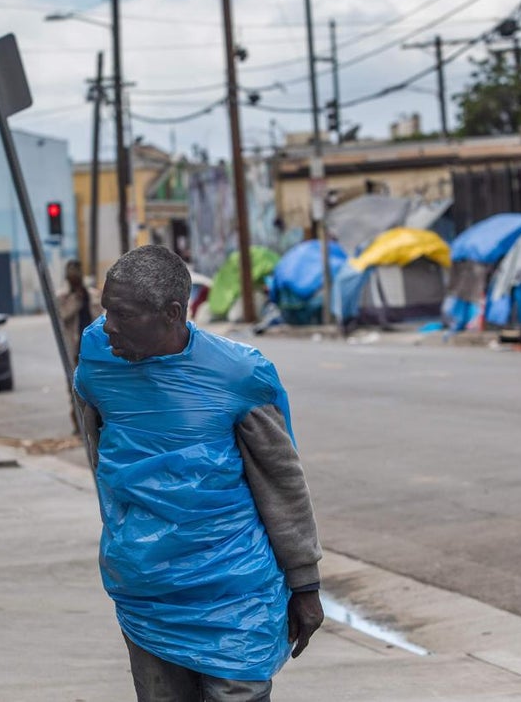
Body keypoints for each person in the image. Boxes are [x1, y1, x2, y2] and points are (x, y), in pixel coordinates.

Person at [74, 245, 323, 702]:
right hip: (147, 591)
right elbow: (101, 455)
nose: (107, 325)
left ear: (172, 314)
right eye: (106, 309)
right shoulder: (97, 357)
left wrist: (304, 583)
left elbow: (282, 483)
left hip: (235, 591)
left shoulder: (238, 376)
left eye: (123, 314)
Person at [57, 259, 102, 431]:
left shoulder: (90, 294)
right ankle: (79, 425)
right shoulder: (63, 296)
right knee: (75, 389)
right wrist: (75, 299)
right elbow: (62, 315)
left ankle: (96, 423)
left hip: (91, 350)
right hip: (74, 351)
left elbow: (99, 317)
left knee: (95, 388)